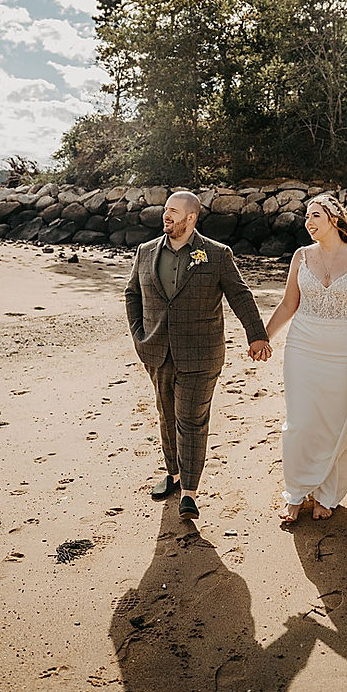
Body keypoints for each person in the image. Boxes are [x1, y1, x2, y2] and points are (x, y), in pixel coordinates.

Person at [124, 190, 272, 521]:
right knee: (166, 415)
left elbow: (240, 294)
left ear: (191, 218)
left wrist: (257, 334)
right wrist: (138, 335)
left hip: (201, 355)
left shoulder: (216, 255)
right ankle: (174, 474)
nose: (167, 216)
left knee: (191, 420)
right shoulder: (146, 252)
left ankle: (189, 492)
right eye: (165, 210)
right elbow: (132, 293)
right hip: (157, 350)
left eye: (174, 212)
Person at [262, 193, 347, 524]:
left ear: (334, 218)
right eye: (306, 217)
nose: (308, 222)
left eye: (315, 215)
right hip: (302, 346)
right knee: (300, 422)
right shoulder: (300, 257)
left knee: (334, 425)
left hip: (345, 349)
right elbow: (289, 304)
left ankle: (327, 495)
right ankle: (295, 493)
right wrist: (262, 336)